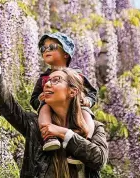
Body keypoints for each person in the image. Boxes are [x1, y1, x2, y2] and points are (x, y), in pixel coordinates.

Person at [0, 19, 108, 178]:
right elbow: (4, 102)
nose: (47, 84)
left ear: (72, 91)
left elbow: (98, 159)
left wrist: (63, 133)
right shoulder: (35, 125)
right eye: (47, 81)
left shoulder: (95, 127)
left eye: (56, 80)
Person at [31, 33, 98, 164]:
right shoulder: (43, 78)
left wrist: (88, 101)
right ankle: (49, 137)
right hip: (52, 113)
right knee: (44, 108)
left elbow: (92, 93)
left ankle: (85, 140)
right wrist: (40, 99)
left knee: (86, 112)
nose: (46, 50)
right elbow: (33, 99)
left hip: (75, 108)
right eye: (43, 49)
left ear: (66, 54)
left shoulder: (77, 75)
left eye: (52, 47)